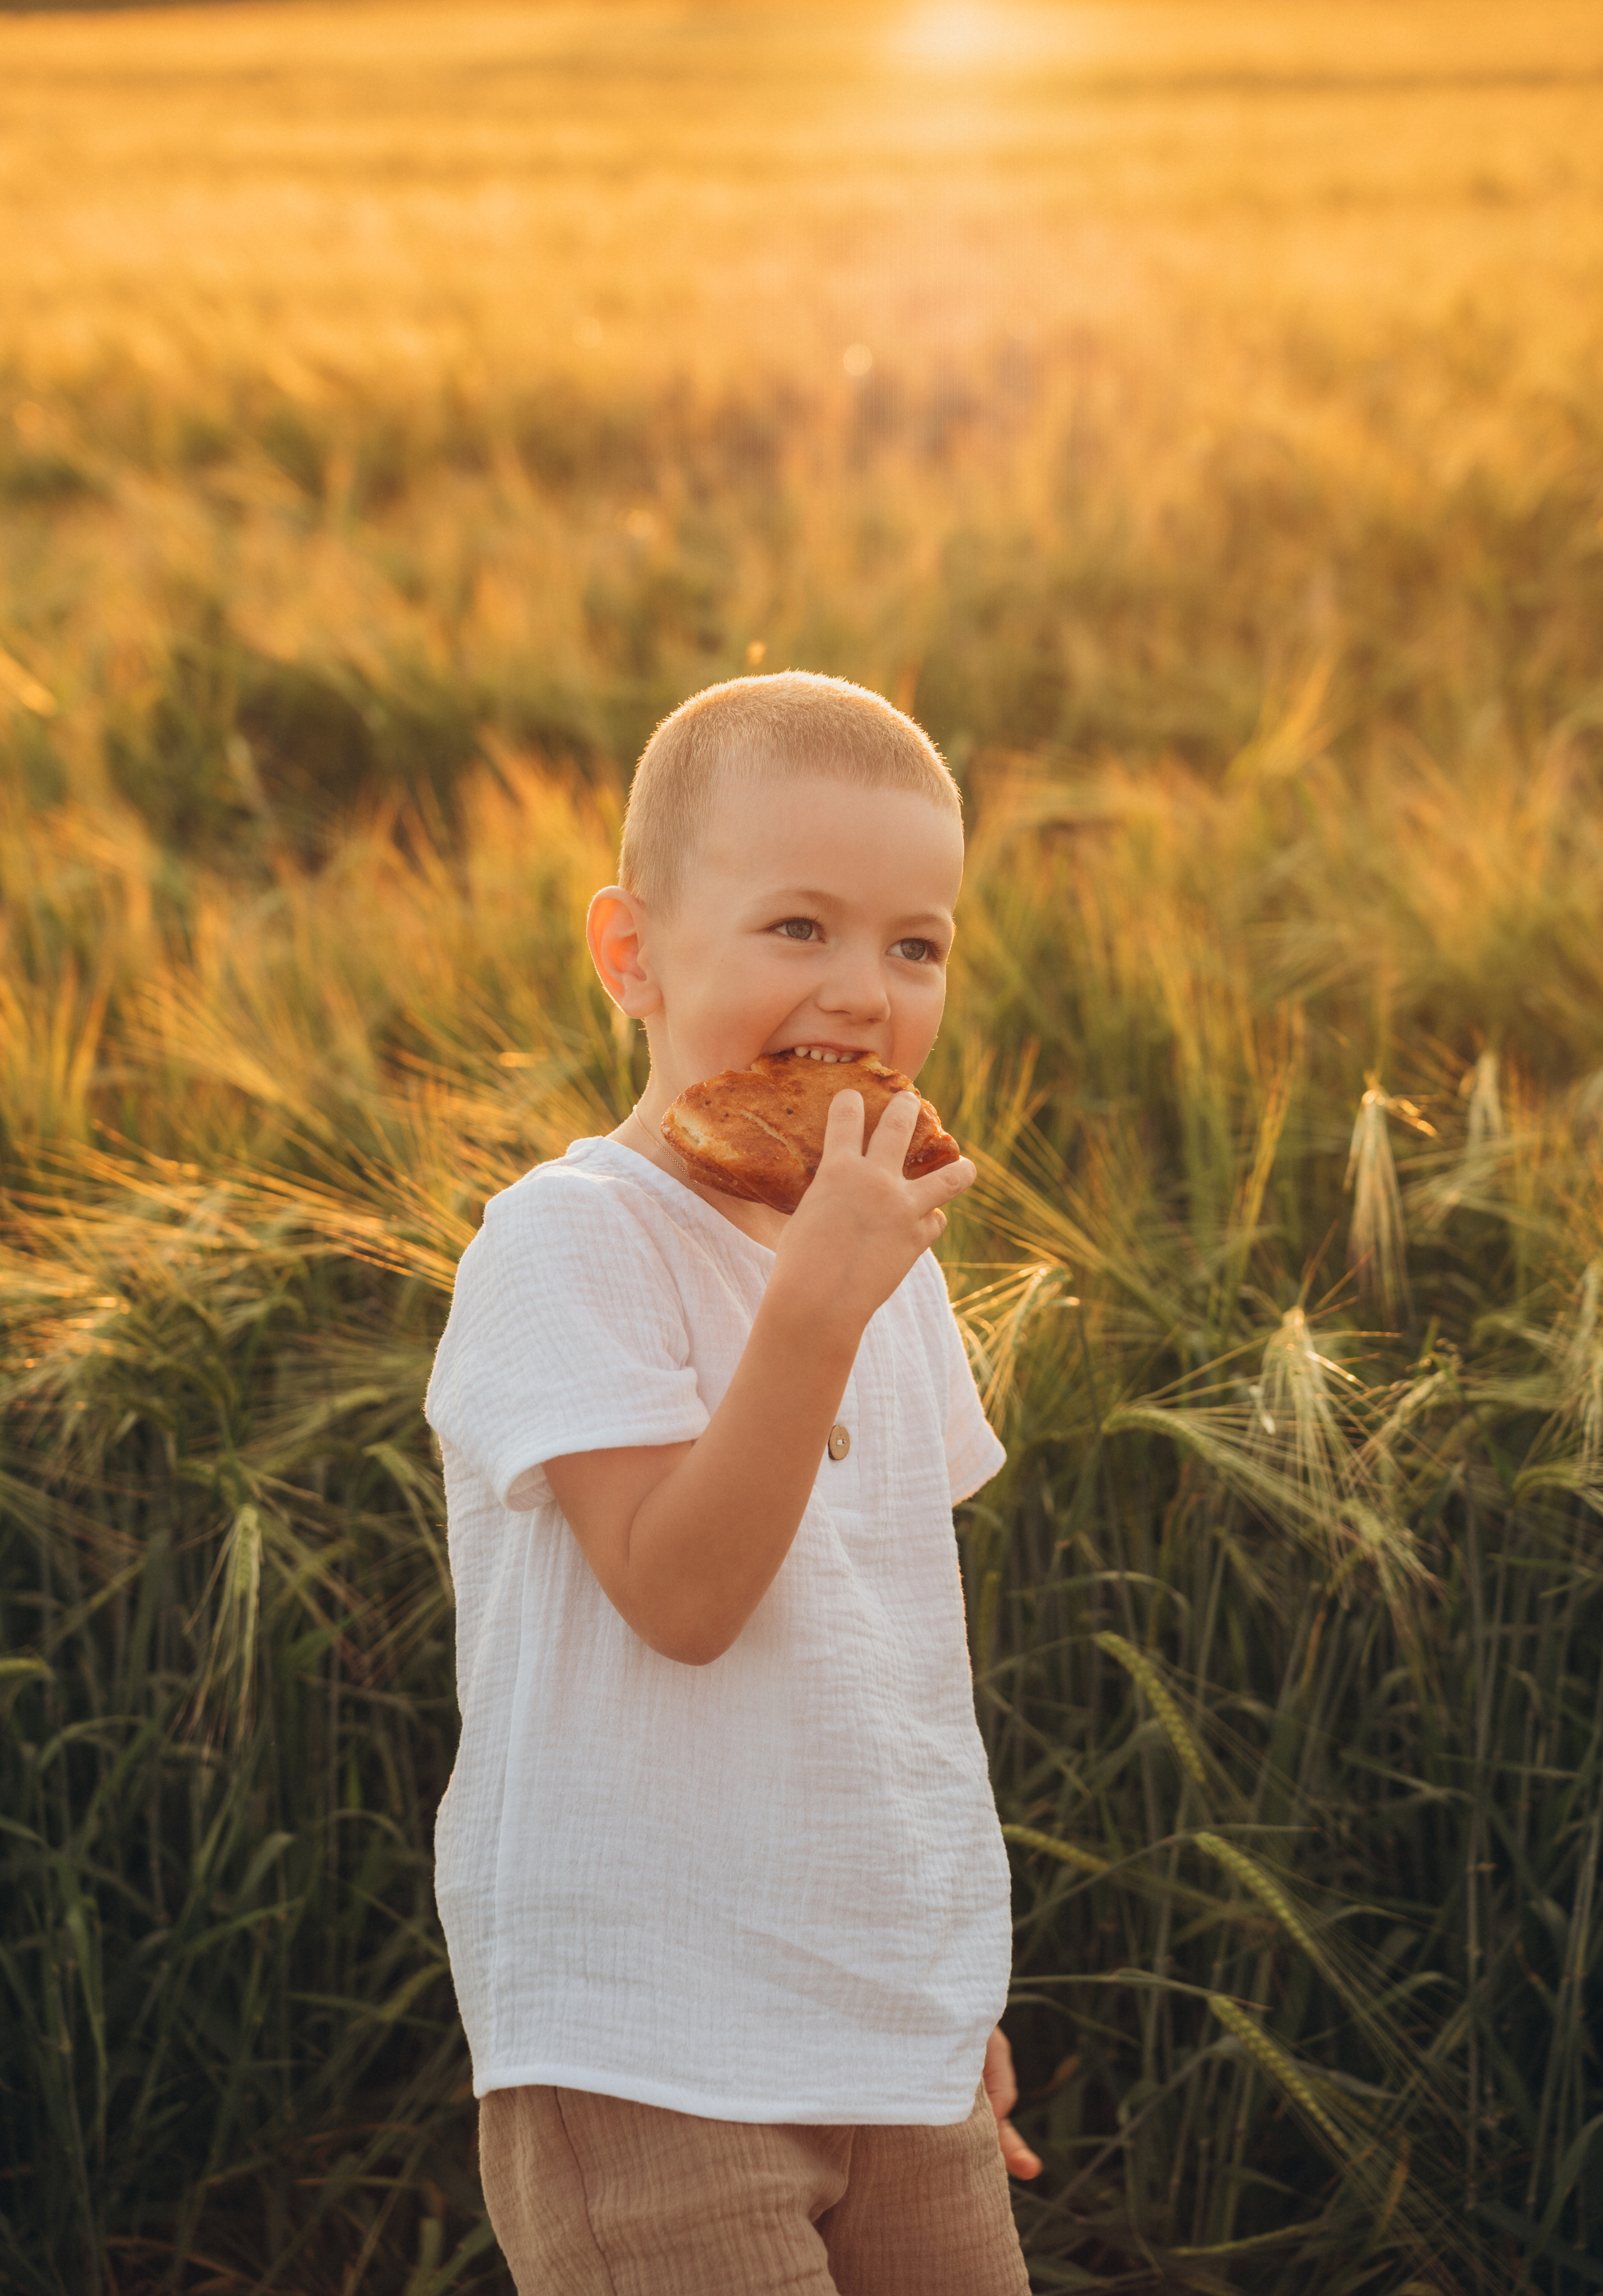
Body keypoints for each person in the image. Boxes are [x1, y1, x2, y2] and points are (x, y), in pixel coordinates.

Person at [426, 671, 1039, 2295]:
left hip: (878, 2025)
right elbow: (684, 1594)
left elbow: (898, 1663)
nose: (865, 987)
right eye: (798, 928)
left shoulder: (883, 1261)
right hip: (645, 2049)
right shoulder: (567, 1242)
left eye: (916, 944)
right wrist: (816, 1305)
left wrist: (941, 1979)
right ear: (632, 953)